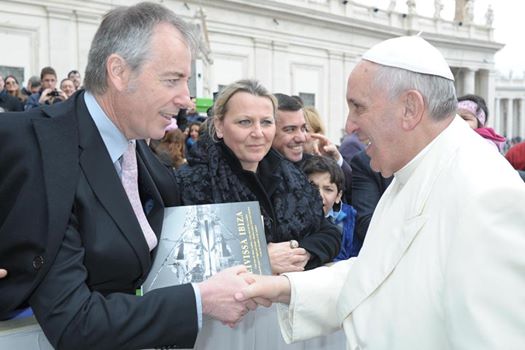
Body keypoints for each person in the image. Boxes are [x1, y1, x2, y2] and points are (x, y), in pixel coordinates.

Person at [237, 35, 525, 349]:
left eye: (358, 107)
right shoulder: (412, 170)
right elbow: (375, 275)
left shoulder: (489, 196)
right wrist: (283, 287)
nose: (349, 125)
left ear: (410, 108)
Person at [0, 3, 256, 349]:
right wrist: (200, 300)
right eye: (172, 80)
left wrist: (258, 256)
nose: (186, 99)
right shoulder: (36, 145)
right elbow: (75, 321)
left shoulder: (146, 160)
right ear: (118, 72)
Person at [176, 79, 341, 275]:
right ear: (219, 126)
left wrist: (303, 253)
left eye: (266, 122)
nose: (258, 133)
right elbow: (183, 261)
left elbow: (329, 232)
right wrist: (258, 260)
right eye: (245, 122)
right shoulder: (192, 182)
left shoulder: (290, 175)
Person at [272, 93, 353, 202]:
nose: (301, 138)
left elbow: (350, 189)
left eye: (304, 128)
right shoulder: (253, 169)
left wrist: (333, 161)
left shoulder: (309, 163)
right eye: (290, 129)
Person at [301, 155, 359, 260]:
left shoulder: (350, 219)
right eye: (312, 186)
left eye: (328, 189)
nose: (319, 196)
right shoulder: (291, 220)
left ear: (338, 196)